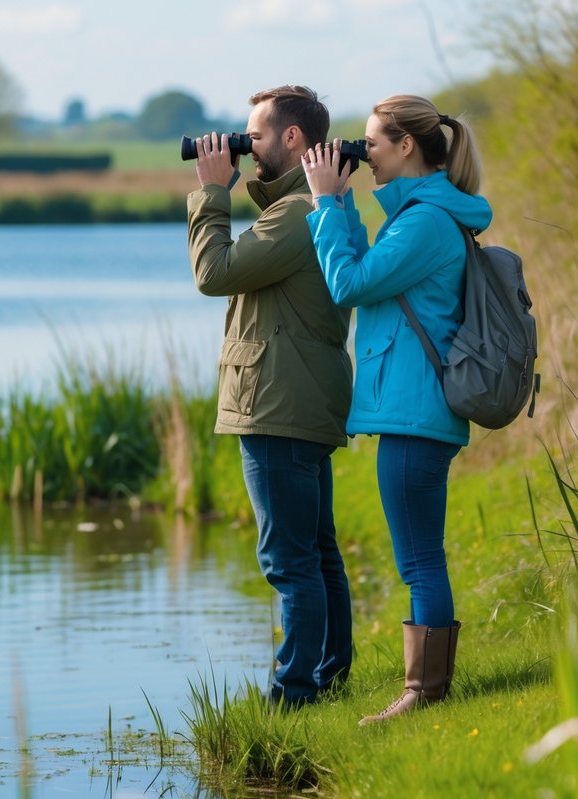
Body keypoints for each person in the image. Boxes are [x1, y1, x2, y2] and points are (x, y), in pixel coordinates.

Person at [301, 94, 492, 724]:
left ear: (406, 145)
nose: (367, 154)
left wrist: (326, 204)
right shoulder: (425, 216)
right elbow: (363, 271)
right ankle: (427, 686)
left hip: (415, 410)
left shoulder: (424, 223)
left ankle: (424, 691)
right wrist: (343, 204)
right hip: (414, 408)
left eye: (373, 143)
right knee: (420, 553)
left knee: (418, 558)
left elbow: (349, 285)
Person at [187, 85, 354, 707]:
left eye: (253, 135)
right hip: (298, 400)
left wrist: (210, 191)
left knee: (290, 562)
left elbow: (214, 274)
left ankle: (294, 697)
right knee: (319, 554)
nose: (243, 147)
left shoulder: (296, 213)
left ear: (292, 139)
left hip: (277, 406)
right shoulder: (317, 206)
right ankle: (330, 678)